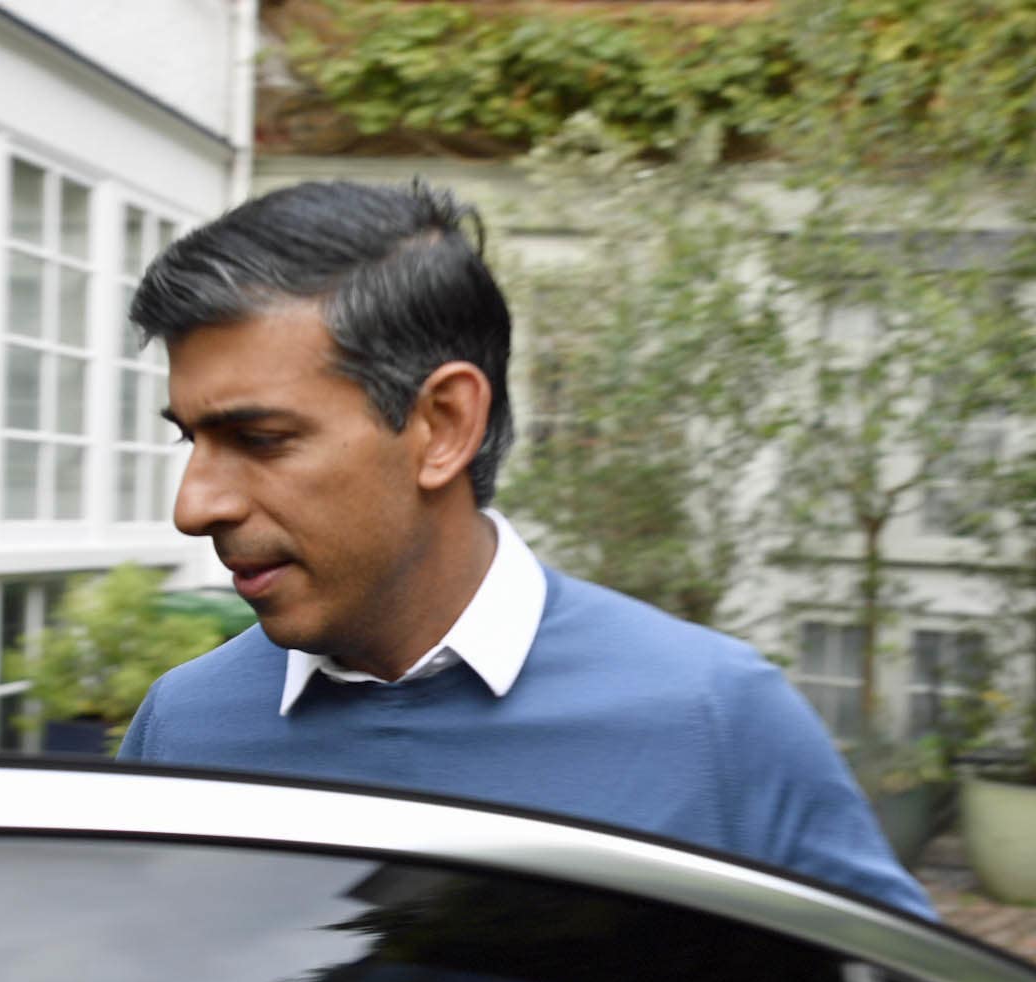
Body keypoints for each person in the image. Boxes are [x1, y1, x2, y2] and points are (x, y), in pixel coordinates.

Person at [120, 179, 931, 919]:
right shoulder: (182, 728)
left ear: (442, 427)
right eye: (191, 440)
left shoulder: (712, 720)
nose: (195, 506)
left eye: (259, 438)